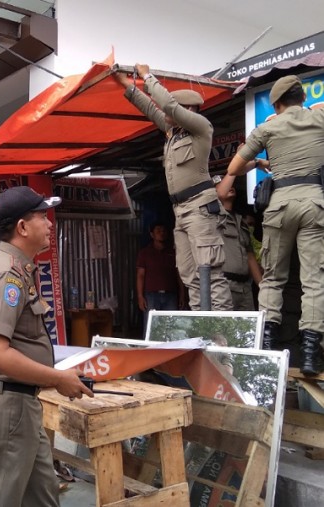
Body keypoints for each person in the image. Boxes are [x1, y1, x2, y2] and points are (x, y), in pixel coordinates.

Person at [0, 185, 93, 507]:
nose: (50, 223)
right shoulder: (7, 276)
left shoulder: (18, 269)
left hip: (21, 405)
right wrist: (57, 378)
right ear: (23, 227)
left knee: (42, 496)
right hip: (7, 405)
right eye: (42, 216)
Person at [223, 75, 324, 375]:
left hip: (280, 206)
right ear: (301, 98)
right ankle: (310, 355)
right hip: (314, 203)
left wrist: (259, 164)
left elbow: (233, 167)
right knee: (314, 280)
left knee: (273, 279)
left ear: (277, 104)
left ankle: (266, 347)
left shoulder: (268, 127)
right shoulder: (318, 119)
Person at [115, 65, 232, 311]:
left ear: (186, 111)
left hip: (200, 207)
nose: (167, 114)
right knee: (190, 274)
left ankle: (221, 333)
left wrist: (147, 77)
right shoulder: (173, 132)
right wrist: (127, 84)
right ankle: (203, 326)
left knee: (210, 273)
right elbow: (150, 108)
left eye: (175, 110)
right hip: (181, 211)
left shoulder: (201, 127)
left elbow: (167, 106)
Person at [214, 174, 263, 310]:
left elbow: (249, 255)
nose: (230, 186)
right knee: (222, 329)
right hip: (223, 285)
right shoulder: (211, 219)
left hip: (245, 287)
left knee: (248, 328)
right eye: (223, 184)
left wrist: (262, 287)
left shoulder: (241, 221)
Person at [136, 222, 184, 333]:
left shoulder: (173, 253)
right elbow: (140, 275)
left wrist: (182, 294)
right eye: (158, 231)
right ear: (152, 234)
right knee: (150, 327)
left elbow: (179, 275)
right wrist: (140, 296)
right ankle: (149, 350)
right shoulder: (145, 253)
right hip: (151, 296)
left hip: (171, 295)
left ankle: (171, 350)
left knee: (172, 327)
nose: (161, 233)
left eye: (163, 231)